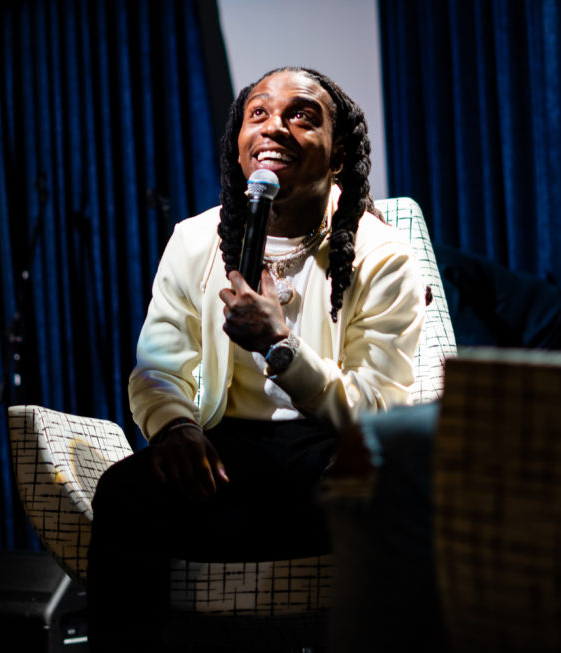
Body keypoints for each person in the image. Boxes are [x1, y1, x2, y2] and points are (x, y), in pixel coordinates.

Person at [85, 67, 427, 650]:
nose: (275, 128)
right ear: (240, 146)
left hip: (329, 455)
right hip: (225, 452)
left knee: (385, 498)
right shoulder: (196, 240)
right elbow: (157, 367)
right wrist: (173, 429)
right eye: (259, 114)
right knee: (124, 493)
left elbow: (377, 411)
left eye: (302, 115)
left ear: (338, 153)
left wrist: (282, 347)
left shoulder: (385, 255)